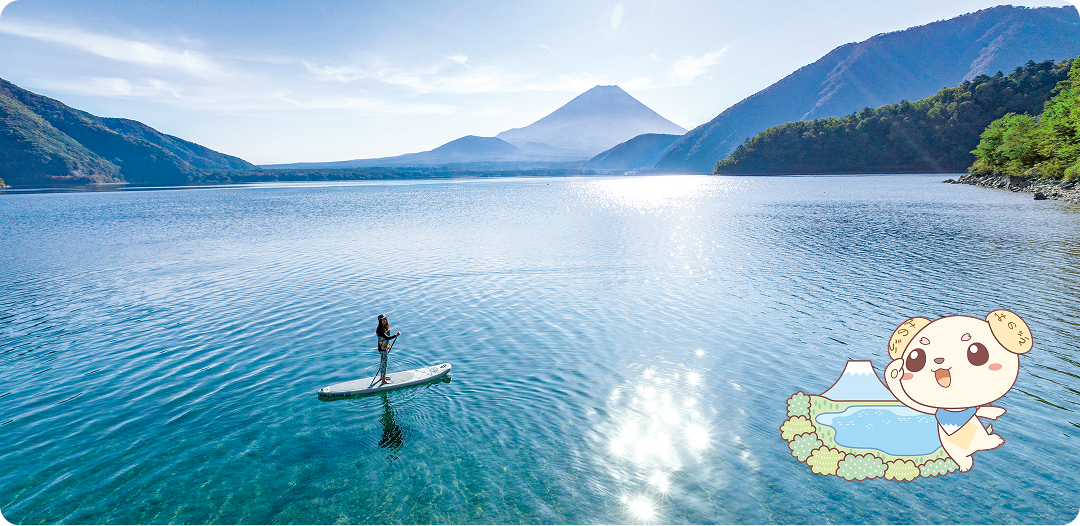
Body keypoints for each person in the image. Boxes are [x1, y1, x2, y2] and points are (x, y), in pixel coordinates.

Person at [375, 314, 400, 385]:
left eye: (385, 319)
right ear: (380, 321)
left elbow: (385, 340)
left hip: (384, 348)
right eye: (383, 320)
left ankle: (382, 376)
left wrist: (388, 346)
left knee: (383, 363)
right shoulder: (380, 330)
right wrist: (396, 335)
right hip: (382, 349)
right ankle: (383, 380)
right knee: (384, 364)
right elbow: (387, 338)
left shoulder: (384, 328)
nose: (385, 320)